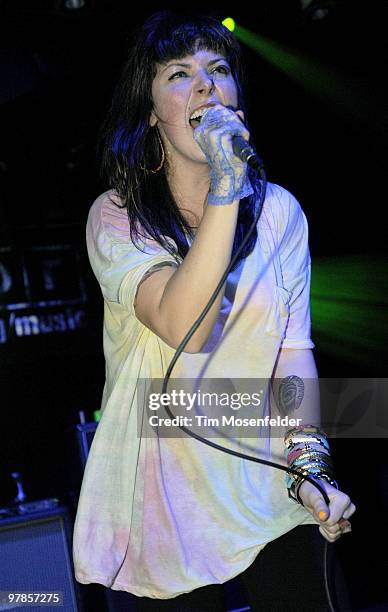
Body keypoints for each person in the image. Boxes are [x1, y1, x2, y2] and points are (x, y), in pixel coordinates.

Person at [73, 10, 356, 611]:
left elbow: (292, 352)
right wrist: (226, 181)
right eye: (179, 73)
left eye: (218, 69)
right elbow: (187, 327)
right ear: (151, 112)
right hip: (163, 500)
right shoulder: (118, 216)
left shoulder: (279, 212)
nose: (205, 84)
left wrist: (309, 467)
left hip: (263, 477)